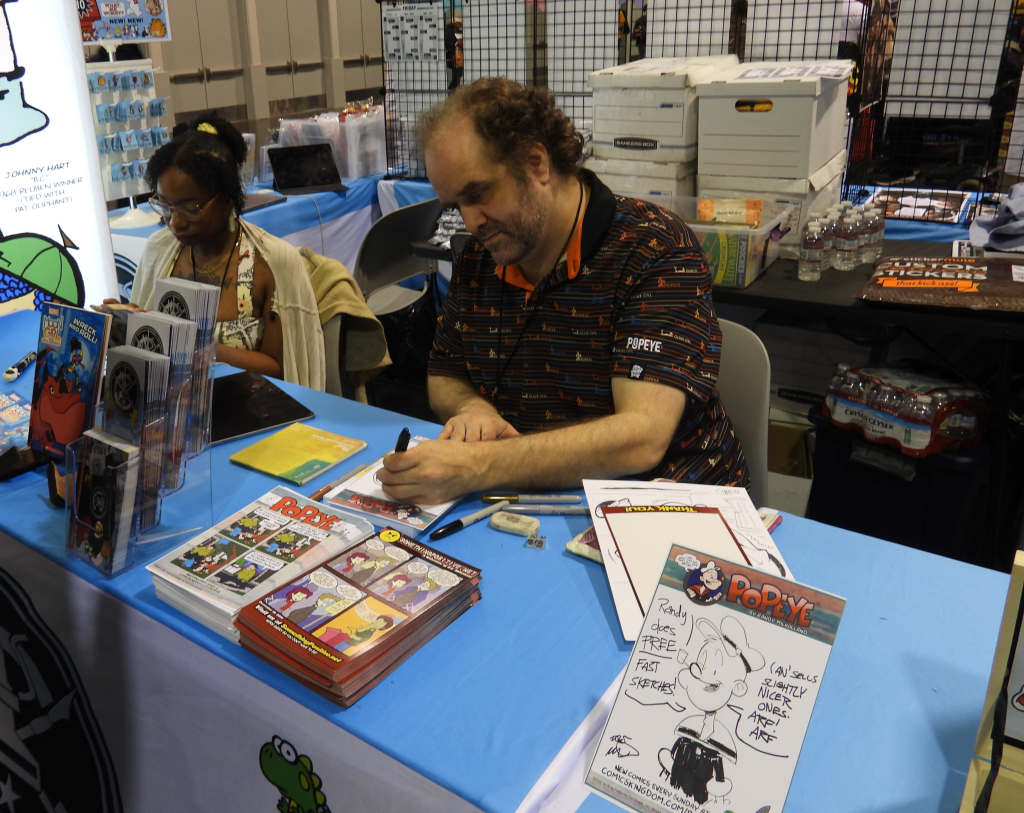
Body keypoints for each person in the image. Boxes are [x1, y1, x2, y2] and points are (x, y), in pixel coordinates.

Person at [378, 78, 748, 504]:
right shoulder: (483, 256)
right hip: (534, 503)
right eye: (455, 205)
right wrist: (471, 409)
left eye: (478, 194)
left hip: (665, 508)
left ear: (536, 163)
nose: (471, 221)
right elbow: (445, 374)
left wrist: (480, 466)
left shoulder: (653, 248)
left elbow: (642, 438)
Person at [127, 115, 326, 389]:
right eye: (164, 206)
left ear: (229, 197)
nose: (175, 221)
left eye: (191, 207)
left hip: (255, 415)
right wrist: (124, 328)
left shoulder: (273, 263)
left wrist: (202, 348)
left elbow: (285, 372)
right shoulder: (159, 252)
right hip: (173, 417)